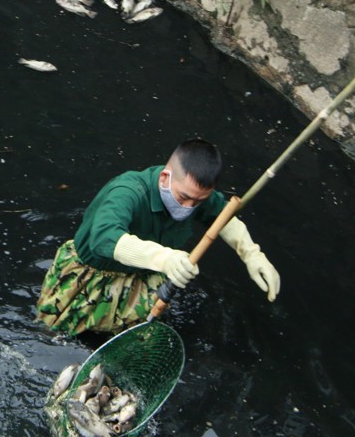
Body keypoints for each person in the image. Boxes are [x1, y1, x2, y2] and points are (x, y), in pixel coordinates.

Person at [35, 139, 280, 336]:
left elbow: (223, 217)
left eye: (198, 201)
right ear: (165, 177)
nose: (189, 206)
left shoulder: (197, 198)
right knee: (53, 332)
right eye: (183, 197)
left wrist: (251, 254)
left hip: (143, 274)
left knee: (137, 330)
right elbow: (104, 238)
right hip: (90, 276)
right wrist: (165, 259)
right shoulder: (128, 191)